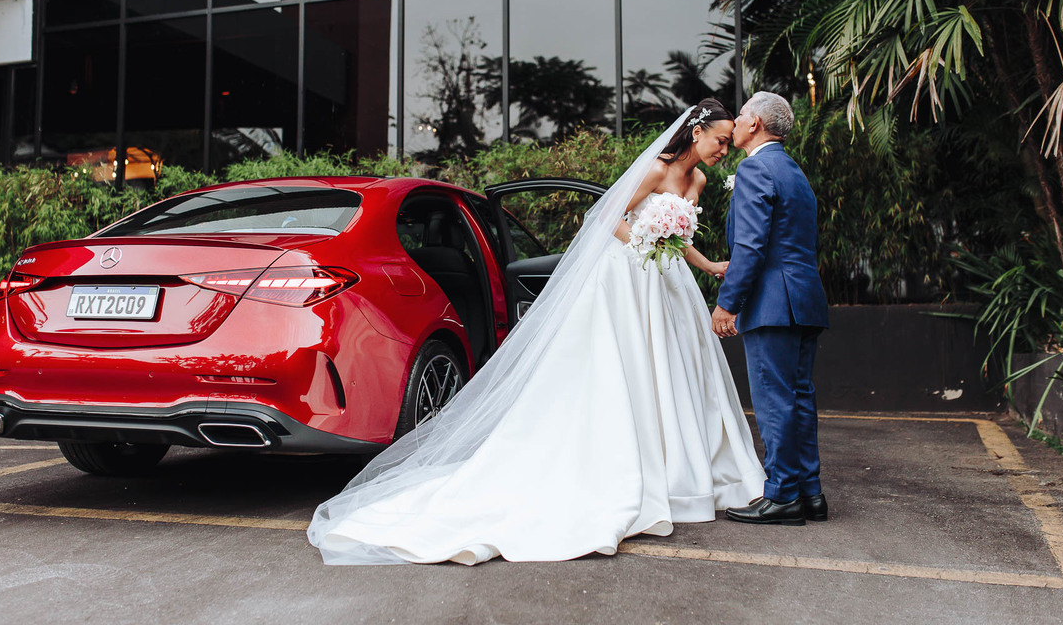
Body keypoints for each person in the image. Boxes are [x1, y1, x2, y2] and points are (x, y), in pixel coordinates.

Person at [308, 100, 765, 565]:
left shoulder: (698, 181)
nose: (723, 150)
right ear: (696, 132)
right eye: (720, 140)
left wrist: (709, 265)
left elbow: (680, 239)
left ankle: (680, 471)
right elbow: (606, 218)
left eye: (728, 144)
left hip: (666, 281)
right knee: (625, 366)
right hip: (629, 274)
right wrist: (645, 243)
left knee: (674, 371)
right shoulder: (655, 169)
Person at [711, 92, 830, 526]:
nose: (736, 122)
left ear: (756, 123)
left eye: (741, 114)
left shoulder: (755, 168)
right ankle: (809, 493)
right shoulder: (793, 171)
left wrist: (727, 304)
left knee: (775, 400)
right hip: (804, 299)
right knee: (799, 397)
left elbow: (750, 245)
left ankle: (781, 495)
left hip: (772, 304)